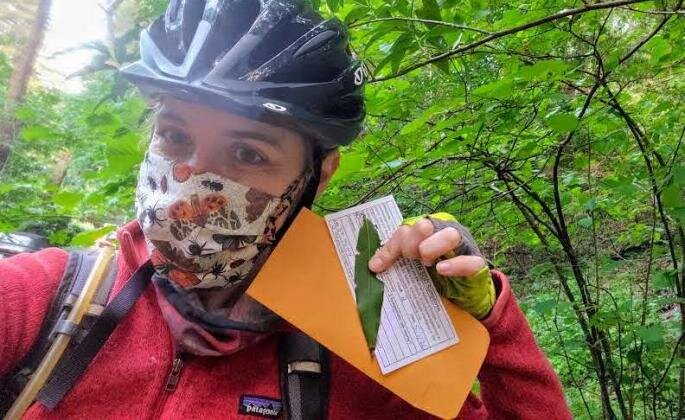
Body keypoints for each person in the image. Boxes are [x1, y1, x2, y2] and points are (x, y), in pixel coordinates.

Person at [0, 1, 571, 418]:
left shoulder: (360, 334)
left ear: (316, 176)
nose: (187, 180)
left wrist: (493, 323)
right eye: (174, 136)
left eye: (247, 152)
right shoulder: (49, 303)